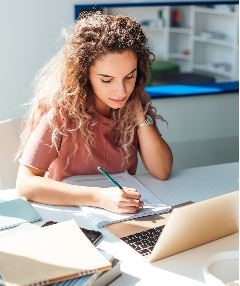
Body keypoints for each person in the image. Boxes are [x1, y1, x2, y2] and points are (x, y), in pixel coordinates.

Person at [16, 11, 173, 214]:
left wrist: (141, 116)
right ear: (84, 75)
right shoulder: (61, 112)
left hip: (122, 216)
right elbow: (25, 183)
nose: (122, 91)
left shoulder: (133, 103)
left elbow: (162, 171)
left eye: (129, 77)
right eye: (107, 80)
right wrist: (98, 197)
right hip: (69, 218)